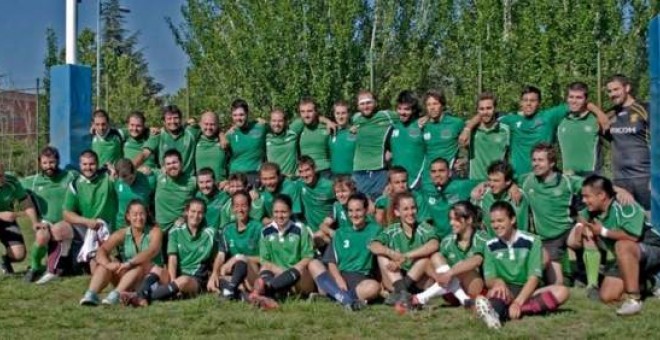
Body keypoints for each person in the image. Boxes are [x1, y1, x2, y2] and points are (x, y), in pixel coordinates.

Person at [569, 175, 660, 316]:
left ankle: (633, 300)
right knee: (607, 296)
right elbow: (581, 218)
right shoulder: (592, 210)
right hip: (627, 255)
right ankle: (651, 283)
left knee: (622, 245)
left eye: (587, 197)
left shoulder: (625, 205)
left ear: (602, 195)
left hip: (652, 247)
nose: (583, 200)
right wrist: (581, 227)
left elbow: (633, 236)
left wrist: (602, 231)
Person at [475, 201, 570, 329]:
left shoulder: (532, 241)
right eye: (493, 222)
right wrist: (498, 282)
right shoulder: (489, 245)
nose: (496, 225)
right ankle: (495, 315)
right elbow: (489, 279)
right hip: (506, 290)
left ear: (512, 219)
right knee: (495, 293)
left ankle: (512, 311)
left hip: (529, 290)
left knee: (562, 291)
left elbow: (534, 278)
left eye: (500, 221)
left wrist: (518, 303)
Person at [41, 150, 118, 283]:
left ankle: (102, 261)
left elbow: (127, 172)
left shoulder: (109, 177)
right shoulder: (75, 184)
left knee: (96, 271)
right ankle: (54, 270)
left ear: (97, 164)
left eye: (92, 164)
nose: (88, 167)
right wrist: (86, 221)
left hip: (106, 230)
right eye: (85, 164)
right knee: (58, 229)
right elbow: (66, 213)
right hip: (86, 227)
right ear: (80, 165)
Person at [79, 200, 163, 306]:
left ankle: (116, 294)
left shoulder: (155, 231)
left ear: (146, 215)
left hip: (151, 278)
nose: (139, 218)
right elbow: (102, 250)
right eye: (135, 214)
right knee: (108, 262)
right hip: (130, 278)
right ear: (128, 216)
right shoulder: (122, 233)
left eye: (142, 214)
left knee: (140, 265)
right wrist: (108, 264)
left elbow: (152, 251)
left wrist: (129, 263)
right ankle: (91, 294)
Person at [406, 201, 486, 310]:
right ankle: (464, 300)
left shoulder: (482, 237)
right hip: (450, 291)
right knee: (436, 256)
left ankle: (421, 298)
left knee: (462, 266)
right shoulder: (447, 241)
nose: (451, 223)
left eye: (456, 219)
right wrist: (437, 276)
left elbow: (477, 260)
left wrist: (450, 273)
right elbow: (429, 264)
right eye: (450, 219)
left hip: (474, 288)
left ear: (469, 219)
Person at [308, 193, 382, 310]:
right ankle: (347, 299)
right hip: (337, 279)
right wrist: (339, 279)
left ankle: (335, 297)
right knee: (313, 264)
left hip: (360, 279)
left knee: (374, 287)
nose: (354, 214)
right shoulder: (340, 232)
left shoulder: (376, 230)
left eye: (358, 210)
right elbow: (331, 262)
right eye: (351, 211)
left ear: (366, 210)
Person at [141, 198, 217, 304]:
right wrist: (172, 280)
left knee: (184, 280)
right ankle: (143, 295)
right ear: (186, 212)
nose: (196, 216)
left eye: (200, 212)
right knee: (156, 269)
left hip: (195, 279)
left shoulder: (211, 233)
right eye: (193, 211)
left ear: (204, 214)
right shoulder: (175, 232)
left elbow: (217, 257)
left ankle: (143, 297)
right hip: (176, 276)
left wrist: (214, 275)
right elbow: (172, 259)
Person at [369, 192, 438, 308]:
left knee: (425, 260)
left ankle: (401, 293)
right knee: (381, 256)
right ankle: (403, 293)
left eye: (413, 208)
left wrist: (405, 256)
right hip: (396, 277)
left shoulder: (424, 227)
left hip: (419, 281)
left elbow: (434, 244)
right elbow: (373, 245)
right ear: (397, 212)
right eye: (405, 209)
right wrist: (391, 253)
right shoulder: (392, 230)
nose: (410, 213)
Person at [248, 195, 315, 310]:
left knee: (300, 269)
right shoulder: (266, 231)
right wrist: (280, 271)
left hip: (297, 277)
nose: (279, 216)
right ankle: (269, 297)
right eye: (276, 212)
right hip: (275, 274)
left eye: (284, 212)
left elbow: (308, 256)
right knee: (264, 268)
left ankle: (265, 291)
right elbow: (264, 259)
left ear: (290, 211)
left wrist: (289, 271)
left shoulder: (300, 228)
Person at [20, 146, 77, 282]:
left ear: (58, 161)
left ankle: (61, 264)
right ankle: (35, 267)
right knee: (41, 235)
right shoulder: (32, 181)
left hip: (67, 222)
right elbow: (13, 185)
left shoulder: (71, 176)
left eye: (52, 162)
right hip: (46, 221)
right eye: (45, 163)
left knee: (67, 269)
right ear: (40, 163)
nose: (48, 166)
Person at [605, 74, 650, 210]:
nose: (612, 94)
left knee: (653, 224)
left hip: (645, 177)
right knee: (628, 224)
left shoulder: (645, 109)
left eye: (616, 89)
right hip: (621, 181)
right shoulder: (610, 115)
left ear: (627, 88)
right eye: (609, 91)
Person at [208, 191, 262, 300]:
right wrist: (214, 273)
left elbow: (265, 259)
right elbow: (220, 255)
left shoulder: (259, 228)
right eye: (237, 206)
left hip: (254, 274)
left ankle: (231, 291)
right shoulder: (227, 229)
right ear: (232, 208)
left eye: (244, 206)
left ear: (250, 207)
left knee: (241, 261)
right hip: (236, 275)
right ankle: (240, 292)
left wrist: (238, 258)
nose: (240, 210)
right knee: (216, 278)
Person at [352, 90, 397, 200]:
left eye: (368, 102)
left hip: (379, 170)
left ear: (375, 103)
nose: (365, 106)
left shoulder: (387, 115)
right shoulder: (355, 118)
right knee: (363, 208)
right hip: (359, 171)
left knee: (380, 207)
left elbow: (407, 114)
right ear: (357, 106)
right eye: (362, 104)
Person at [419, 157, 479, 239]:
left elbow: (487, 181)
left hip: (456, 237)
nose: (437, 175)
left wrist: (479, 187)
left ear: (450, 173)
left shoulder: (460, 186)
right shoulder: (426, 189)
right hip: (436, 237)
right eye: (433, 172)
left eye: (441, 171)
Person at [557, 82, 609, 176]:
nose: (574, 101)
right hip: (569, 175)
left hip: (592, 174)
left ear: (586, 100)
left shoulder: (596, 119)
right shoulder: (561, 120)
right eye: (571, 97)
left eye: (579, 97)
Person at [134, 105, 200, 177]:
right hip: (165, 182)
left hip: (188, 183)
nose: (173, 121)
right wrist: (131, 168)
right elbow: (144, 154)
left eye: (176, 118)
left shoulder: (191, 132)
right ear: (164, 121)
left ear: (181, 119)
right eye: (169, 118)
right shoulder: (158, 135)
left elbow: (207, 126)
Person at [0, 162, 42, 275]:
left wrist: (35, 223)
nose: (2, 179)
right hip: (2, 216)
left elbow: (26, 202)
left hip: (6, 222)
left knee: (19, 255)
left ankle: (4, 262)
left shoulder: (11, 181)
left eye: (2, 174)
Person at [420, 89, 465, 191]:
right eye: (428, 105)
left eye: (435, 103)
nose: (432, 107)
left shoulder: (456, 123)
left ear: (442, 105)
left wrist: (464, 160)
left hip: (451, 178)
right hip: (428, 179)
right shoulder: (422, 125)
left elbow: (471, 144)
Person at [153, 149, 197, 249]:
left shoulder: (192, 181)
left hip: (180, 229)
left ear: (181, 163)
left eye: (175, 162)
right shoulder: (159, 176)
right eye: (168, 164)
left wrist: (185, 217)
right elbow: (141, 170)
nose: (172, 166)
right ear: (164, 166)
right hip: (160, 231)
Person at [474, 161, 529, 237]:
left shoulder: (518, 196)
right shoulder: (483, 196)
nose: (491, 184)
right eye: (490, 180)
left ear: (508, 181)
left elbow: (522, 229)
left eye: (496, 181)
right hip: (492, 246)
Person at [465, 92, 510, 181]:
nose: (485, 112)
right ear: (477, 111)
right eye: (481, 109)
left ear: (495, 109)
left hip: (496, 184)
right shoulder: (470, 130)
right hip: (475, 184)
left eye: (489, 108)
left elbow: (510, 158)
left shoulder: (505, 130)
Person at [225, 99, 267, 187]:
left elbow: (277, 127)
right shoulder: (229, 135)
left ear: (247, 114)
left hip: (254, 176)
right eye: (235, 115)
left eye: (241, 115)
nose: (238, 118)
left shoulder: (261, 127)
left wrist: (266, 122)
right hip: (235, 177)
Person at [389, 91, 425, 188]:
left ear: (414, 110)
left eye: (407, 109)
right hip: (397, 183)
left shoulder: (423, 125)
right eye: (399, 108)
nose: (402, 112)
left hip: (418, 181)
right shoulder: (393, 127)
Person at [297, 156, 335, 245]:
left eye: (307, 170)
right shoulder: (300, 184)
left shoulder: (329, 186)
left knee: (316, 239)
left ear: (315, 169)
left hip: (328, 229)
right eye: (301, 172)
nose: (304, 175)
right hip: (310, 230)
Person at [113, 158, 154, 233]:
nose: (128, 181)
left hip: (143, 226)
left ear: (135, 171)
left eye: (131, 178)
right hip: (122, 226)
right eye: (124, 178)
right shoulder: (115, 181)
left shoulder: (148, 179)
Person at [294, 97, 332, 177]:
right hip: (305, 172)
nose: (306, 115)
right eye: (303, 112)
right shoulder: (298, 127)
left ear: (316, 112)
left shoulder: (327, 127)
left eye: (309, 111)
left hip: (324, 171)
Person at [195, 111, 228, 182]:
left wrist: (228, 181)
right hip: (201, 188)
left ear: (218, 125)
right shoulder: (194, 140)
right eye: (206, 124)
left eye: (212, 124)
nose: (209, 127)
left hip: (220, 188)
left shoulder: (225, 141)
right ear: (200, 124)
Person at [266, 108, 299, 177]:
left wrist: (327, 121)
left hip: (291, 179)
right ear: (269, 122)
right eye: (274, 121)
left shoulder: (293, 133)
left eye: (280, 121)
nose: (277, 124)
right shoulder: (265, 137)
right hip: (273, 180)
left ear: (285, 122)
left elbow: (308, 116)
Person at [328, 101, 356, 177]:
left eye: (343, 113)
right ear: (334, 114)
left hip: (352, 177)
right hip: (334, 177)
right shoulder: (330, 132)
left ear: (349, 114)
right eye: (337, 113)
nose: (340, 116)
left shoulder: (354, 131)